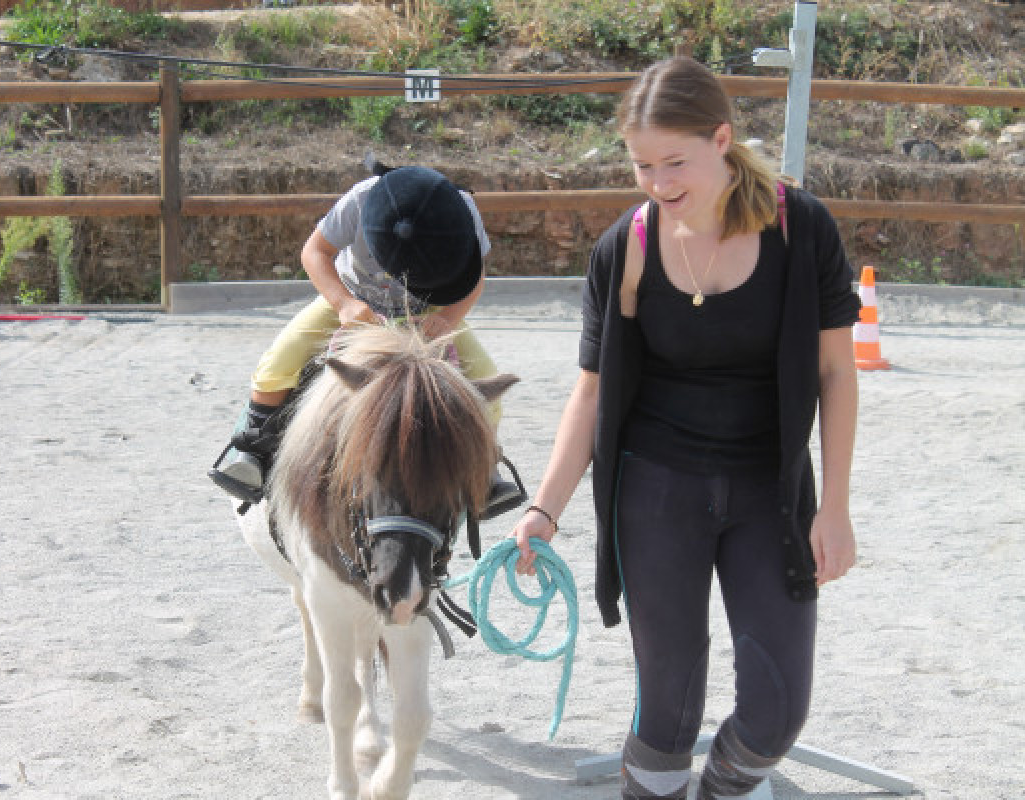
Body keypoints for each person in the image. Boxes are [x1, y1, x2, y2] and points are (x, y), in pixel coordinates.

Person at [510, 57, 861, 800]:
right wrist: (545, 507)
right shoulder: (627, 247)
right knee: (667, 713)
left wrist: (835, 505)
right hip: (656, 489)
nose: (660, 181)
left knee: (776, 712)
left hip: (769, 489)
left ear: (723, 140)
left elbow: (835, 373)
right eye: (642, 164)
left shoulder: (802, 230)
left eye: (676, 161)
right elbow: (592, 392)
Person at [209, 163, 525, 519]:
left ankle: (485, 465)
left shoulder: (464, 210)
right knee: (280, 359)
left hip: (425, 314)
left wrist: (447, 318)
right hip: (353, 299)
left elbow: (475, 276)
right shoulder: (360, 199)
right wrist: (343, 303)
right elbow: (314, 252)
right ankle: (252, 449)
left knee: (484, 377)